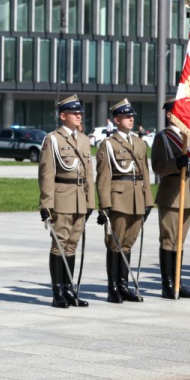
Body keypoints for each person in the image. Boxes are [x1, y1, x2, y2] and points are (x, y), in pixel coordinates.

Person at [38, 94, 94, 308]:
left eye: (80, 112)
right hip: (62, 198)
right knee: (59, 245)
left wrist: (90, 203)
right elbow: (46, 174)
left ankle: (70, 289)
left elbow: (88, 173)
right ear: (63, 116)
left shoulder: (84, 140)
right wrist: (46, 204)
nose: (79, 115)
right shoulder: (53, 139)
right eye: (74, 112)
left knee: (71, 245)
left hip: (80, 198)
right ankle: (58, 291)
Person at [95, 99, 153, 303]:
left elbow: (145, 173)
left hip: (137, 198)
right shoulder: (108, 145)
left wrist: (148, 201)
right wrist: (105, 206)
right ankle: (113, 289)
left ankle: (124, 285)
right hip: (118, 199)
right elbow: (103, 177)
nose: (131, 119)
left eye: (132, 116)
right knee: (115, 243)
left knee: (128, 244)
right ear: (116, 119)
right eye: (126, 116)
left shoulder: (139, 143)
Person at [151, 97, 190, 299]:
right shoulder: (162, 138)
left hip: (189, 194)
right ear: (170, 114)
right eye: (179, 111)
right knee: (169, 241)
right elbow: (157, 166)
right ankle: (168, 284)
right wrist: (175, 163)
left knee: (180, 242)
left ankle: (178, 282)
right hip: (171, 193)